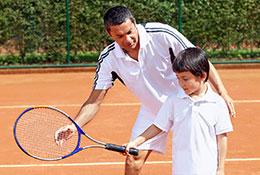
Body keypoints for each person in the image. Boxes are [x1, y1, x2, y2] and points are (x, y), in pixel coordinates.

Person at [55, 5, 235, 175]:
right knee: (133, 159)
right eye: (119, 36)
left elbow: (200, 60)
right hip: (153, 109)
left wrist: (222, 92)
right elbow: (94, 101)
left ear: (134, 22)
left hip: (186, 101)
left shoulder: (162, 34)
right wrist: (75, 126)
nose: (127, 40)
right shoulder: (109, 58)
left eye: (129, 32)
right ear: (109, 34)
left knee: (203, 158)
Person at [125, 47, 233, 175]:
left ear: (202, 76)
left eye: (185, 79)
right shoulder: (174, 100)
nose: (181, 83)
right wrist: (135, 142)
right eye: (178, 78)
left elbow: (222, 138)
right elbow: (158, 126)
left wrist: (220, 169)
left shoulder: (217, 103)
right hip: (181, 170)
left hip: (208, 170)